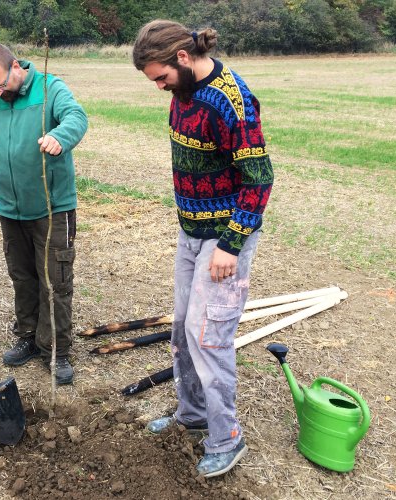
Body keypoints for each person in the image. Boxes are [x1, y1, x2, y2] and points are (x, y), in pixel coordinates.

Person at [132, 20, 274, 477]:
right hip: (191, 233)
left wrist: (230, 246)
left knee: (208, 336)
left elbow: (259, 179)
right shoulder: (184, 92)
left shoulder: (232, 101)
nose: (159, 88)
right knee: (182, 329)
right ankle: (192, 416)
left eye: (161, 77)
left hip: (224, 238)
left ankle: (226, 437)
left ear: (183, 58)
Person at [0, 43, 88, 385]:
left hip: (52, 207)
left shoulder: (50, 88)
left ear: (16, 68)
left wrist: (59, 136)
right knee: (22, 276)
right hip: (10, 207)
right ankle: (27, 335)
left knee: (55, 279)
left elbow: (76, 117)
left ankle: (56, 349)